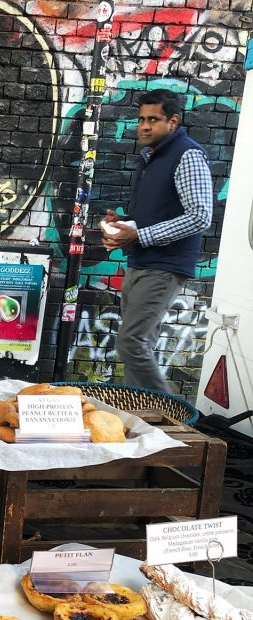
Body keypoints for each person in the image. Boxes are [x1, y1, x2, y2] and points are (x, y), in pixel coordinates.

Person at [100, 88, 213, 393]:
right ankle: (143, 413)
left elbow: (200, 216)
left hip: (164, 266)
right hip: (141, 261)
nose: (145, 126)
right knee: (140, 344)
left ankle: (166, 411)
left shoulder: (186, 155)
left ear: (173, 122)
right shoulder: (151, 158)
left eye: (154, 119)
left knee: (130, 342)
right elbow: (158, 214)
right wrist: (124, 226)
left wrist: (140, 235)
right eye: (141, 119)